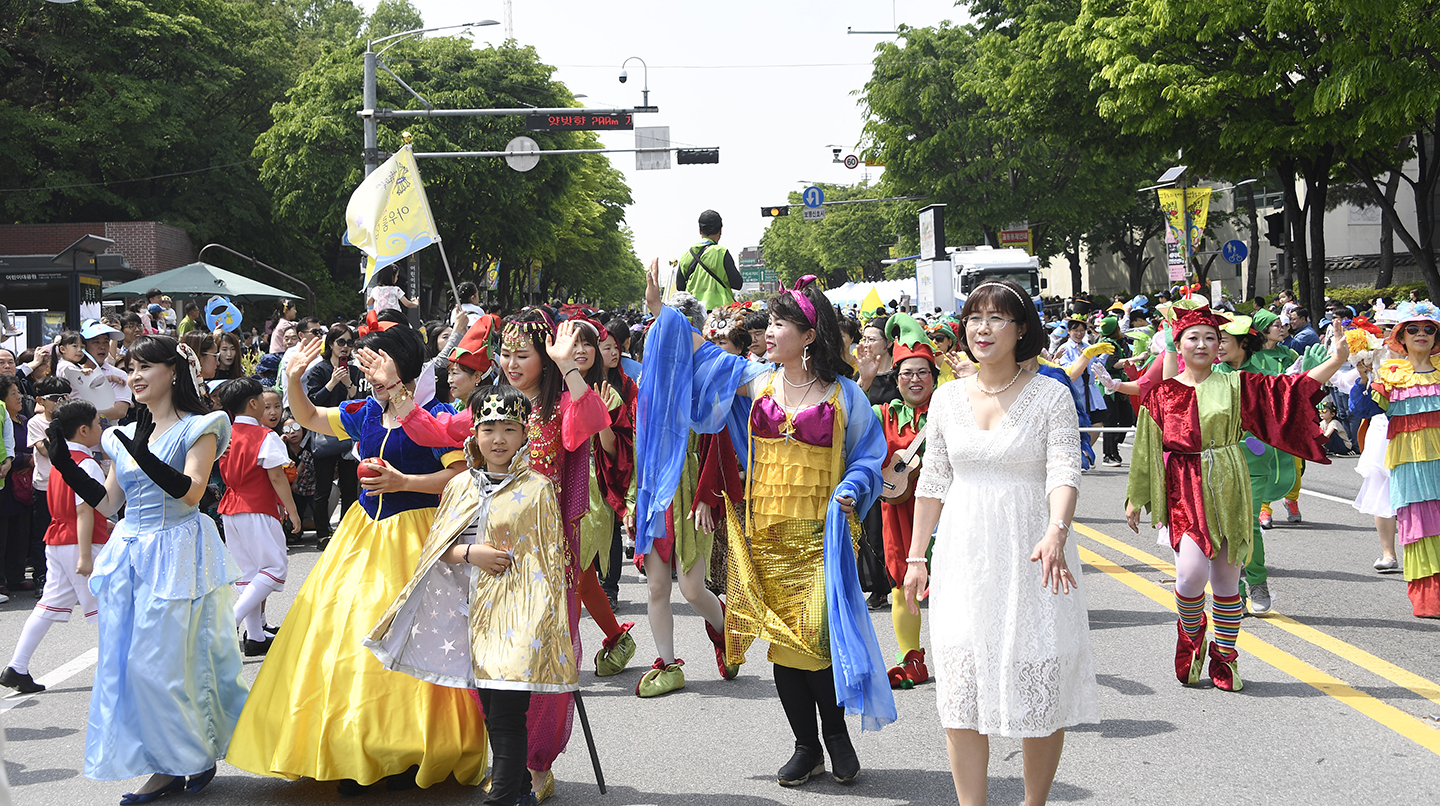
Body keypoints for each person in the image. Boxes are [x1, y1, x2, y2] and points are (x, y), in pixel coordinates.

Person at [636, 262, 892, 787]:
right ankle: (805, 747)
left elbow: (869, 456)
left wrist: (854, 487)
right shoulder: (756, 381)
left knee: (816, 646)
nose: (767, 332)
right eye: (768, 324)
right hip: (764, 540)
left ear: (809, 336)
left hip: (822, 543)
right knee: (782, 648)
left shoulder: (847, 396)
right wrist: (660, 313)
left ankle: (836, 738)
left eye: (779, 324)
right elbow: (695, 354)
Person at [227, 323, 486, 794]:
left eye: (374, 360)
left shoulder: (438, 413)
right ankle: (355, 745)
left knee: (411, 638)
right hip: (362, 535)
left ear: (401, 365)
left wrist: (404, 482)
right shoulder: (365, 411)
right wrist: (293, 377)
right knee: (345, 636)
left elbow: (460, 477)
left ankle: (409, 751)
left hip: (418, 537)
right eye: (364, 361)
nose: (364, 368)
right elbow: (308, 417)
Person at [381, 311, 619, 801]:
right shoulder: (489, 405)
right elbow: (437, 430)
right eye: (505, 353)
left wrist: (567, 367)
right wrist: (397, 392)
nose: (511, 363)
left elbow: (596, 421)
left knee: (541, 659)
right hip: (485, 553)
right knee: (486, 663)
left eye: (523, 354)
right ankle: (509, 759)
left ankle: (535, 766)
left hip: (545, 557)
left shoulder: (559, 410)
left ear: (544, 357)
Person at [902, 281, 1096, 806]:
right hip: (964, 556)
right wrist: (917, 556)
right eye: (974, 318)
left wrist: (1057, 528)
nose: (982, 328)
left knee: (1038, 685)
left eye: (996, 318)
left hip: (1035, 554)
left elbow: (1064, 469)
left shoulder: (1051, 395)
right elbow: (933, 482)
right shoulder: (944, 398)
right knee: (961, 690)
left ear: (1022, 329)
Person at [46, 336, 246, 802]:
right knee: (129, 665)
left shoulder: (202, 425)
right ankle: (172, 760)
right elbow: (111, 504)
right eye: (129, 367)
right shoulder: (124, 435)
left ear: (172, 372)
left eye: (144, 366)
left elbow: (192, 493)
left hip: (177, 551)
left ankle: (184, 760)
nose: (133, 376)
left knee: (164, 664)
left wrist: (142, 455)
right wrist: (64, 465)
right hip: (129, 553)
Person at [365, 385, 576, 806]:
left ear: (524, 435)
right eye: (489, 429)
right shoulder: (461, 485)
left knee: (509, 712)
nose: (499, 439)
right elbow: (437, 547)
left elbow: (552, 561)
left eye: (510, 429)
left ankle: (502, 797)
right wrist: (470, 553)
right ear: (474, 435)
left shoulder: (538, 489)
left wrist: (544, 622)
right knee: (490, 708)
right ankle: (517, 789)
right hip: (470, 613)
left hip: (519, 616)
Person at [1126, 305, 1347, 691]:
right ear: (1178, 344)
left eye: (1211, 338)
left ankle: (1225, 659)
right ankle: (1191, 638)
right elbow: (1146, 448)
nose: (1203, 344)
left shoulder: (1236, 385)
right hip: (1185, 485)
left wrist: (1335, 360)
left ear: (1220, 347)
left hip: (1230, 482)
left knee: (1228, 582)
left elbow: (1290, 392)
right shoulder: (1162, 393)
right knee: (1191, 573)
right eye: (1193, 337)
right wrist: (1137, 496)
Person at [0, 399, 107, 696]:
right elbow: (85, 510)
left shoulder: (61, 461)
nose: (101, 428)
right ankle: (118, 673)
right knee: (106, 610)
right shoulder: (86, 463)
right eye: (99, 423)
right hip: (80, 543)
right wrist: (86, 555)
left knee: (47, 607)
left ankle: (17, 666)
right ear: (84, 430)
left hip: (57, 539)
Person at [1210, 315, 1298, 616]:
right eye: (1214, 339)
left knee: (1247, 526)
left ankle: (1256, 584)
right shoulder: (1208, 373)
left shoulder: (1263, 373)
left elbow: (1282, 410)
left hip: (1253, 461)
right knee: (1221, 530)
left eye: (1222, 340)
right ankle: (1231, 591)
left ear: (1243, 343)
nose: (1216, 346)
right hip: (1216, 463)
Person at [872, 314, 939, 690]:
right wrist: (865, 379)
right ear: (896, 379)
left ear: (934, 375)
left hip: (948, 508)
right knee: (902, 583)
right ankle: (911, 659)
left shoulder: (953, 409)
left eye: (923, 372)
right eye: (906, 373)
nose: (915, 379)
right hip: (899, 509)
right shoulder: (883, 414)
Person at [216, 378, 300, 656]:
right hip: (257, 506)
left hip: (230, 508)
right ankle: (230, 622)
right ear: (253, 404)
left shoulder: (224, 435)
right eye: (263, 401)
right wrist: (292, 509)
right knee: (274, 568)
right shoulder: (265, 436)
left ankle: (254, 637)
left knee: (250, 574)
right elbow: (276, 475)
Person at [1370, 300, 1440, 617]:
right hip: (1410, 465)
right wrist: (1359, 370)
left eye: (1429, 329)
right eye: (1413, 329)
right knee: (1421, 527)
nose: (1421, 334)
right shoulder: (1391, 373)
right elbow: (1364, 410)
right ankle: (1430, 600)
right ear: (1402, 336)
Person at [302, 325, 361, 547]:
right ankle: (322, 533)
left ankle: (346, 530)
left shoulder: (355, 371)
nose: (345, 348)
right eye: (340, 342)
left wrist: (349, 385)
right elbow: (313, 401)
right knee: (323, 487)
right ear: (331, 344)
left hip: (347, 431)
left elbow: (359, 402)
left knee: (349, 486)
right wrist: (333, 382)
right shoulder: (320, 369)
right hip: (324, 431)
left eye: (349, 343)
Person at [673, 209, 743, 312]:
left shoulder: (686, 255)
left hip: (694, 313)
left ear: (700, 231)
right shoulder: (721, 252)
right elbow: (737, 284)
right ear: (720, 231)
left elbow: (680, 288)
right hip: (720, 315)